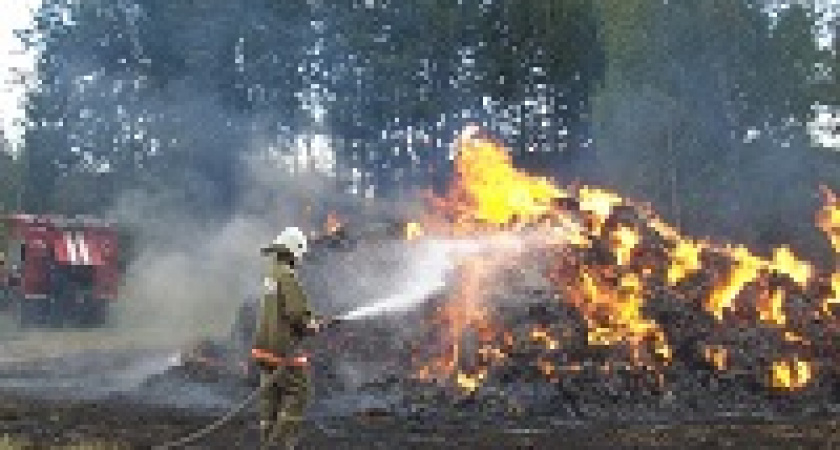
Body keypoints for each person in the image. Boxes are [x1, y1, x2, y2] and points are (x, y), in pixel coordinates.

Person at [252, 227, 324, 450]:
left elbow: (279, 310)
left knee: (270, 398)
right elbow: (296, 313)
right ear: (294, 252)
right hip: (282, 350)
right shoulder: (287, 277)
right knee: (298, 391)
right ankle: (277, 445)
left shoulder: (271, 275)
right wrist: (310, 324)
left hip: (264, 348)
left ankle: (267, 441)